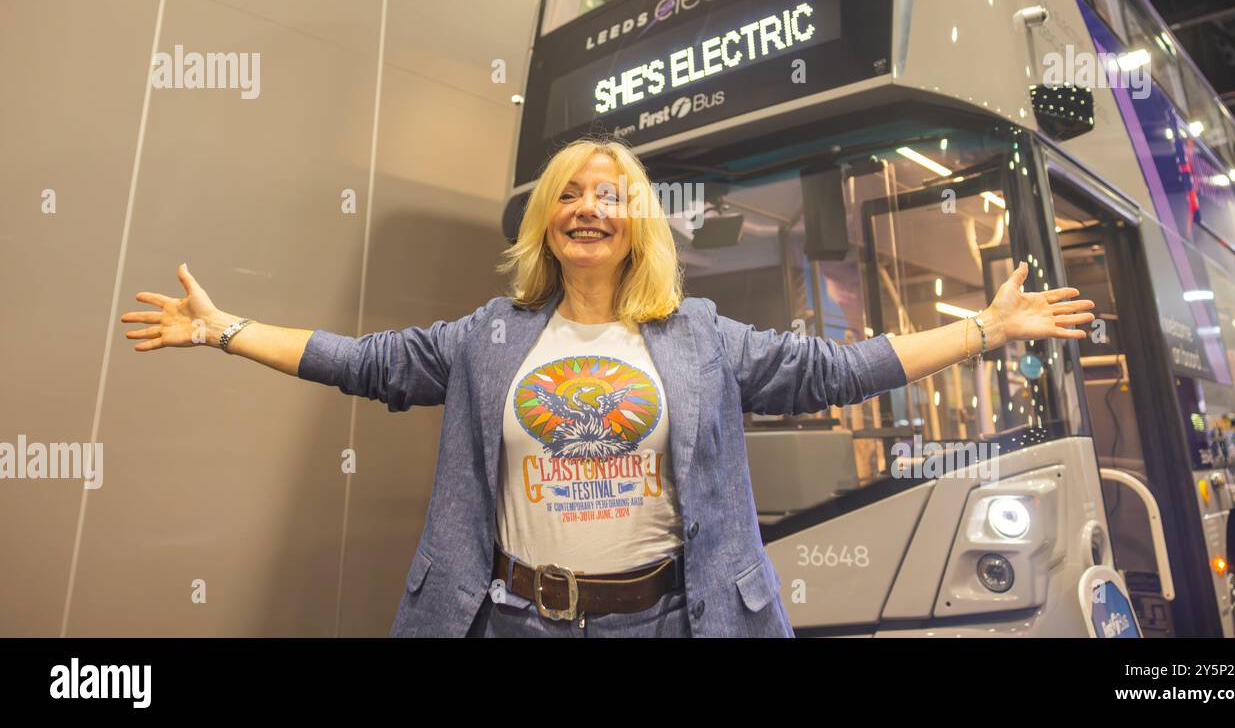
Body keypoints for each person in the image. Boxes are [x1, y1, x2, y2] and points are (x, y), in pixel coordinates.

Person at [120, 137, 1094, 638]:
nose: (588, 206)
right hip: (513, 620)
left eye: (610, 194)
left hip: (663, 620)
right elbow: (368, 362)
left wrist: (984, 329)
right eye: (570, 195)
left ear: (637, 226)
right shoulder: (487, 337)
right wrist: (226, 331)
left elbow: (831, 371)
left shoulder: (695, 336)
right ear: (548, 220)